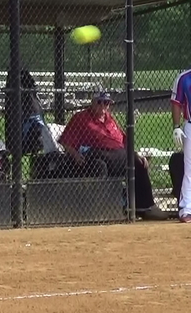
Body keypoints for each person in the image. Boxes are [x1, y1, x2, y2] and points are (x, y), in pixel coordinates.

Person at [59, 91, 168, 221]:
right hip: (95, 155)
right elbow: (66, 141)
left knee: (139, 163)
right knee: (108, 161)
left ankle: (145, 207)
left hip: (118, 155)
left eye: (106, 103)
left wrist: (135, 154)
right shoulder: (81, 118)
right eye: (99, 102)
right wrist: (75, 155)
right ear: (92, 102)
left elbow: (124, 141)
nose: (103, 106)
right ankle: (104, 210)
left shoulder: (109, 119)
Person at [171, 68, 191, 222]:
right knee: (189, 170)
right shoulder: (184, 78)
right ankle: (186, 208)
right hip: (190, 125)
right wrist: (177, 127)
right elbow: (176, 103)